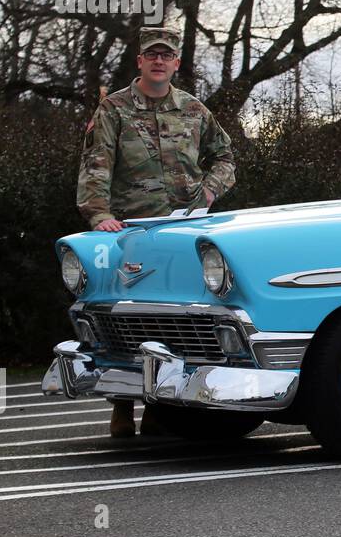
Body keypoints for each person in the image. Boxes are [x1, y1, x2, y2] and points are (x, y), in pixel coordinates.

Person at [76, 26, 236, 437]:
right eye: (152, 55)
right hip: (134, 231)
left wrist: (210, 193)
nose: (159, 61)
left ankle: (163, 404)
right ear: (141, 61)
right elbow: (96, 165)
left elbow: (225, 157)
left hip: (184, 229)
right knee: (131, 318)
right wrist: (99, 217)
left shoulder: (194, 109)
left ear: (177, 63)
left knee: (181, 316)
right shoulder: (114, 109)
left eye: (167, 56)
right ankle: (122, 404)